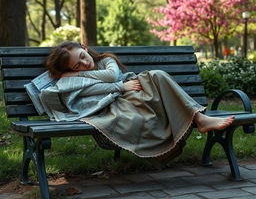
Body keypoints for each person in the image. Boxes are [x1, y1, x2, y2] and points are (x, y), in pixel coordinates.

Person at [40, 41, 234, 164]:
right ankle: (200, 120)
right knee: (145, 97)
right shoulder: (74, 81)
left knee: (156, 74)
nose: (84, 63)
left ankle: (200, 119)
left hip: (137, 88)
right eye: (77, 65)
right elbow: (93, 90)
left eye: (83, 56)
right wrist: (120, 88)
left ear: (84, 48)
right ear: (72, 70)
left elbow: (111, 75)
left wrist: (79, 74)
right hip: (123, 98)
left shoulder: (106, 60)